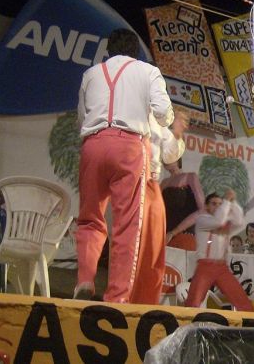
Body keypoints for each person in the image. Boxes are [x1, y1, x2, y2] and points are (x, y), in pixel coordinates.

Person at [74, 28, 174, 303]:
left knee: (89, 218)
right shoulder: (148, 71)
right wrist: (167, 120)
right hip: (129, 147)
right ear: (136, 51)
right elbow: (163, 112)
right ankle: (117, 297)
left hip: (93, 145)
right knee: (126, 225)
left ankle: (85, 279)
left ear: (108, 50)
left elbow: (81, 118)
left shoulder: (90, 74)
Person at [129, 110, 188, 304]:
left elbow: (170, 153)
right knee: (132, 248)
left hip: (152, 188)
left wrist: (177, 134)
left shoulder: (158, 122)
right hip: (133, 181)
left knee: (153, 254)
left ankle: (146, 302)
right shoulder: (130, 112)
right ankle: (124, 298)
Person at [185, 191, 254, 311]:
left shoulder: (223, 221)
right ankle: (185, 322)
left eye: (219, 204)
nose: (217, 206)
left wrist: (232, 202)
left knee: (241, 299)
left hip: (222, 267)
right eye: (213, 204)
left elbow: (239, 222)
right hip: (205, 266)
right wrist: (226, 201)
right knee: (193, 302)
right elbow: (218, 222)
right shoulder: (202, 220)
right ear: (206, 206)